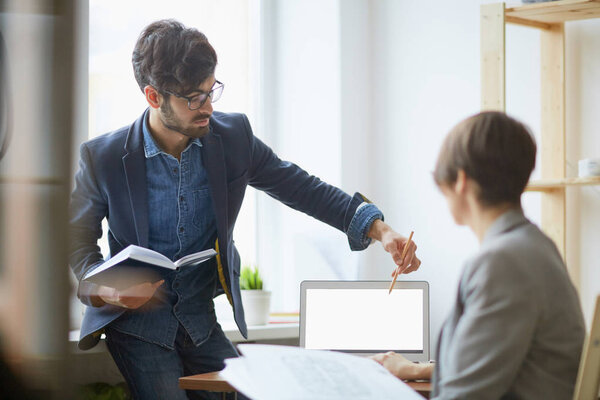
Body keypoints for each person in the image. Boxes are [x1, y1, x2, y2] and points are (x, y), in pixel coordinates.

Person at [69, 19, 420, 400]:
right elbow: (75, 240)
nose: (208, 107)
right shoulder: (103, 156)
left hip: (201, 320)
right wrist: (108, 287)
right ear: (154, 97)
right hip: (138, 329)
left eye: (211, 91)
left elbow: (302, 188)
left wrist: (381, 230)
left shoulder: (232, 137)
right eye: (194, 98)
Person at [373, 111, 585, 399]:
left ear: (460, 181)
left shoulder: (502, 262)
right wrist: (416, 369)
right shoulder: (534, 246)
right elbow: (495, 362)